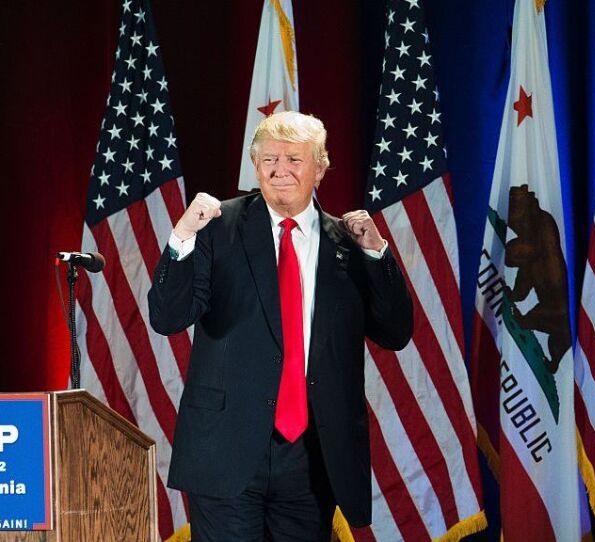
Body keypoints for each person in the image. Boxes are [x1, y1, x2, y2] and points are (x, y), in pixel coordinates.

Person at [148, 111, 413, 541]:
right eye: (269, 158)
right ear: (255, 165)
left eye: (294, 159)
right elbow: (167, 318)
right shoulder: (218, 229)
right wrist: (181, 236)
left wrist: (378, 253)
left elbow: (395, 332)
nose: (280, 170)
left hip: (311, 458)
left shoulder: (347, 242)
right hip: (226, 451)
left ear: (320, 168)